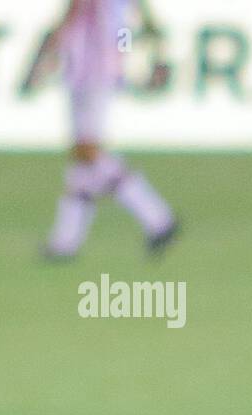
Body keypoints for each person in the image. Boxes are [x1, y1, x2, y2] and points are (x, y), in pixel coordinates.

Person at [40, 0, 178, 259]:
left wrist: (54, 45)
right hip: (98, 61)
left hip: (90, 63)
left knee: (88, 151)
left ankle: (159, 218)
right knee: (83, 158)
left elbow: (78, 8)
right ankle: (65, 241)